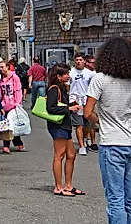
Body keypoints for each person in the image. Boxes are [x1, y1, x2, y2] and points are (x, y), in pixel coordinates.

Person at [84, 37, 131, 224]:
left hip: (111, 142)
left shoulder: (99, 79)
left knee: (115, 197)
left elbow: (87, 112)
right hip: (130, 140)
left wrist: (102, 121)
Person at [46, 64, 85, 197]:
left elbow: (61, 105)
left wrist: (71, 105)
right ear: (58, 76)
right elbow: (51, 108)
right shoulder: (53, 89)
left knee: (71, 154)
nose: (68, 75)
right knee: (59, 155)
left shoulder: (63, 88)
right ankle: (58, 186)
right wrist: (69, 109)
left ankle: (68, 185)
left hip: (65, 125)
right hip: (58, 126)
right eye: (66, 74)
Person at [70, 53, 96, 156]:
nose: (78, 62)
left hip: (86, 100)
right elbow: (67, 86)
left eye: (80, 60)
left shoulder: (89, 73)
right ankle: (81, 146)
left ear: (84, 61)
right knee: (78, 124)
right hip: (75, 100)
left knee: (87, 124)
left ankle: (85, 138)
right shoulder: (71, 72)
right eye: (77, 60)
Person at [0, 61, 25, 153]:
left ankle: (19, 143)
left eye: (2, 67)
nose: (1, 69)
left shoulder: (14, 78)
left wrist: (17, 103)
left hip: (13, 104)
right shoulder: (0, 79)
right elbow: (0, 93)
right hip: (5, 105)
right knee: (6, 126)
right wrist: (0, 105)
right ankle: (6, 146)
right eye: (0, 67)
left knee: (14, 126)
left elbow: (18, 90)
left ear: (8, 67)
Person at [83, 54, 99, 151]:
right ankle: (87, 138)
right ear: (87, 63)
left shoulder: (96, 73)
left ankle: (93, 141)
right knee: (86, 121)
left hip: (95, 99)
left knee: (92, 122)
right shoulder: (85, 73)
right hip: (86, 98)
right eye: (92, 62)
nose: (93, 64)